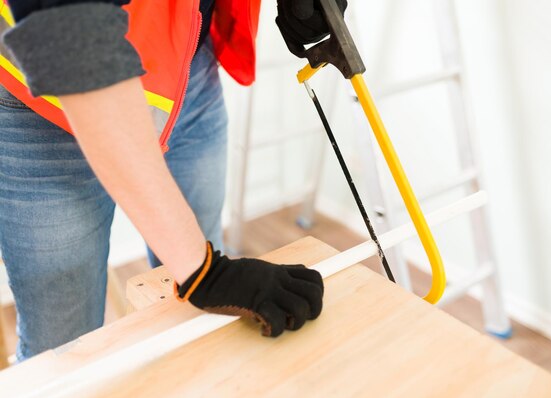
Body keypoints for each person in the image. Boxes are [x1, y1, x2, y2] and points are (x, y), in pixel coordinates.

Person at [0, 0, 346, 361]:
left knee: (207, 313)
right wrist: (204, 273)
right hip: (43, 104)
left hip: (189, 73)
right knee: (64, 351)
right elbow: (71, 37)